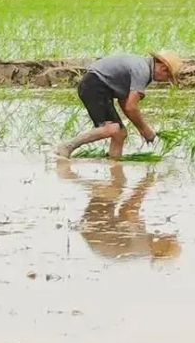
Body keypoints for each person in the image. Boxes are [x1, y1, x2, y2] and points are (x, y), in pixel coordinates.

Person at [54, 51, 183, 159]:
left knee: (120, 133)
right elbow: (131, 107)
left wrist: (141, 129)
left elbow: (124, 102)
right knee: (112, 128)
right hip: (95, 86)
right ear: (163, 69)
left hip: (97, 86)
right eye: (169, 77)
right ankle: (68, 146)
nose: (166, 81)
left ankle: (114, 166)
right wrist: (146, 130)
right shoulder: (142, 71)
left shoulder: (141, 66)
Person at [56, 160, 181, 260]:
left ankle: (67, 173)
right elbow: (128, 211)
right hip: (96, 233)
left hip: (97, 231)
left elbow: (127, 210)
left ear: (161, 247)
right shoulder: (143, 249)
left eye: (169, 238)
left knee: (115, 187)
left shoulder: (142, 245)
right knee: (114, 187)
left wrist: (146, 184)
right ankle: (73, 172)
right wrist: (145, 185)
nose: (167, 234)